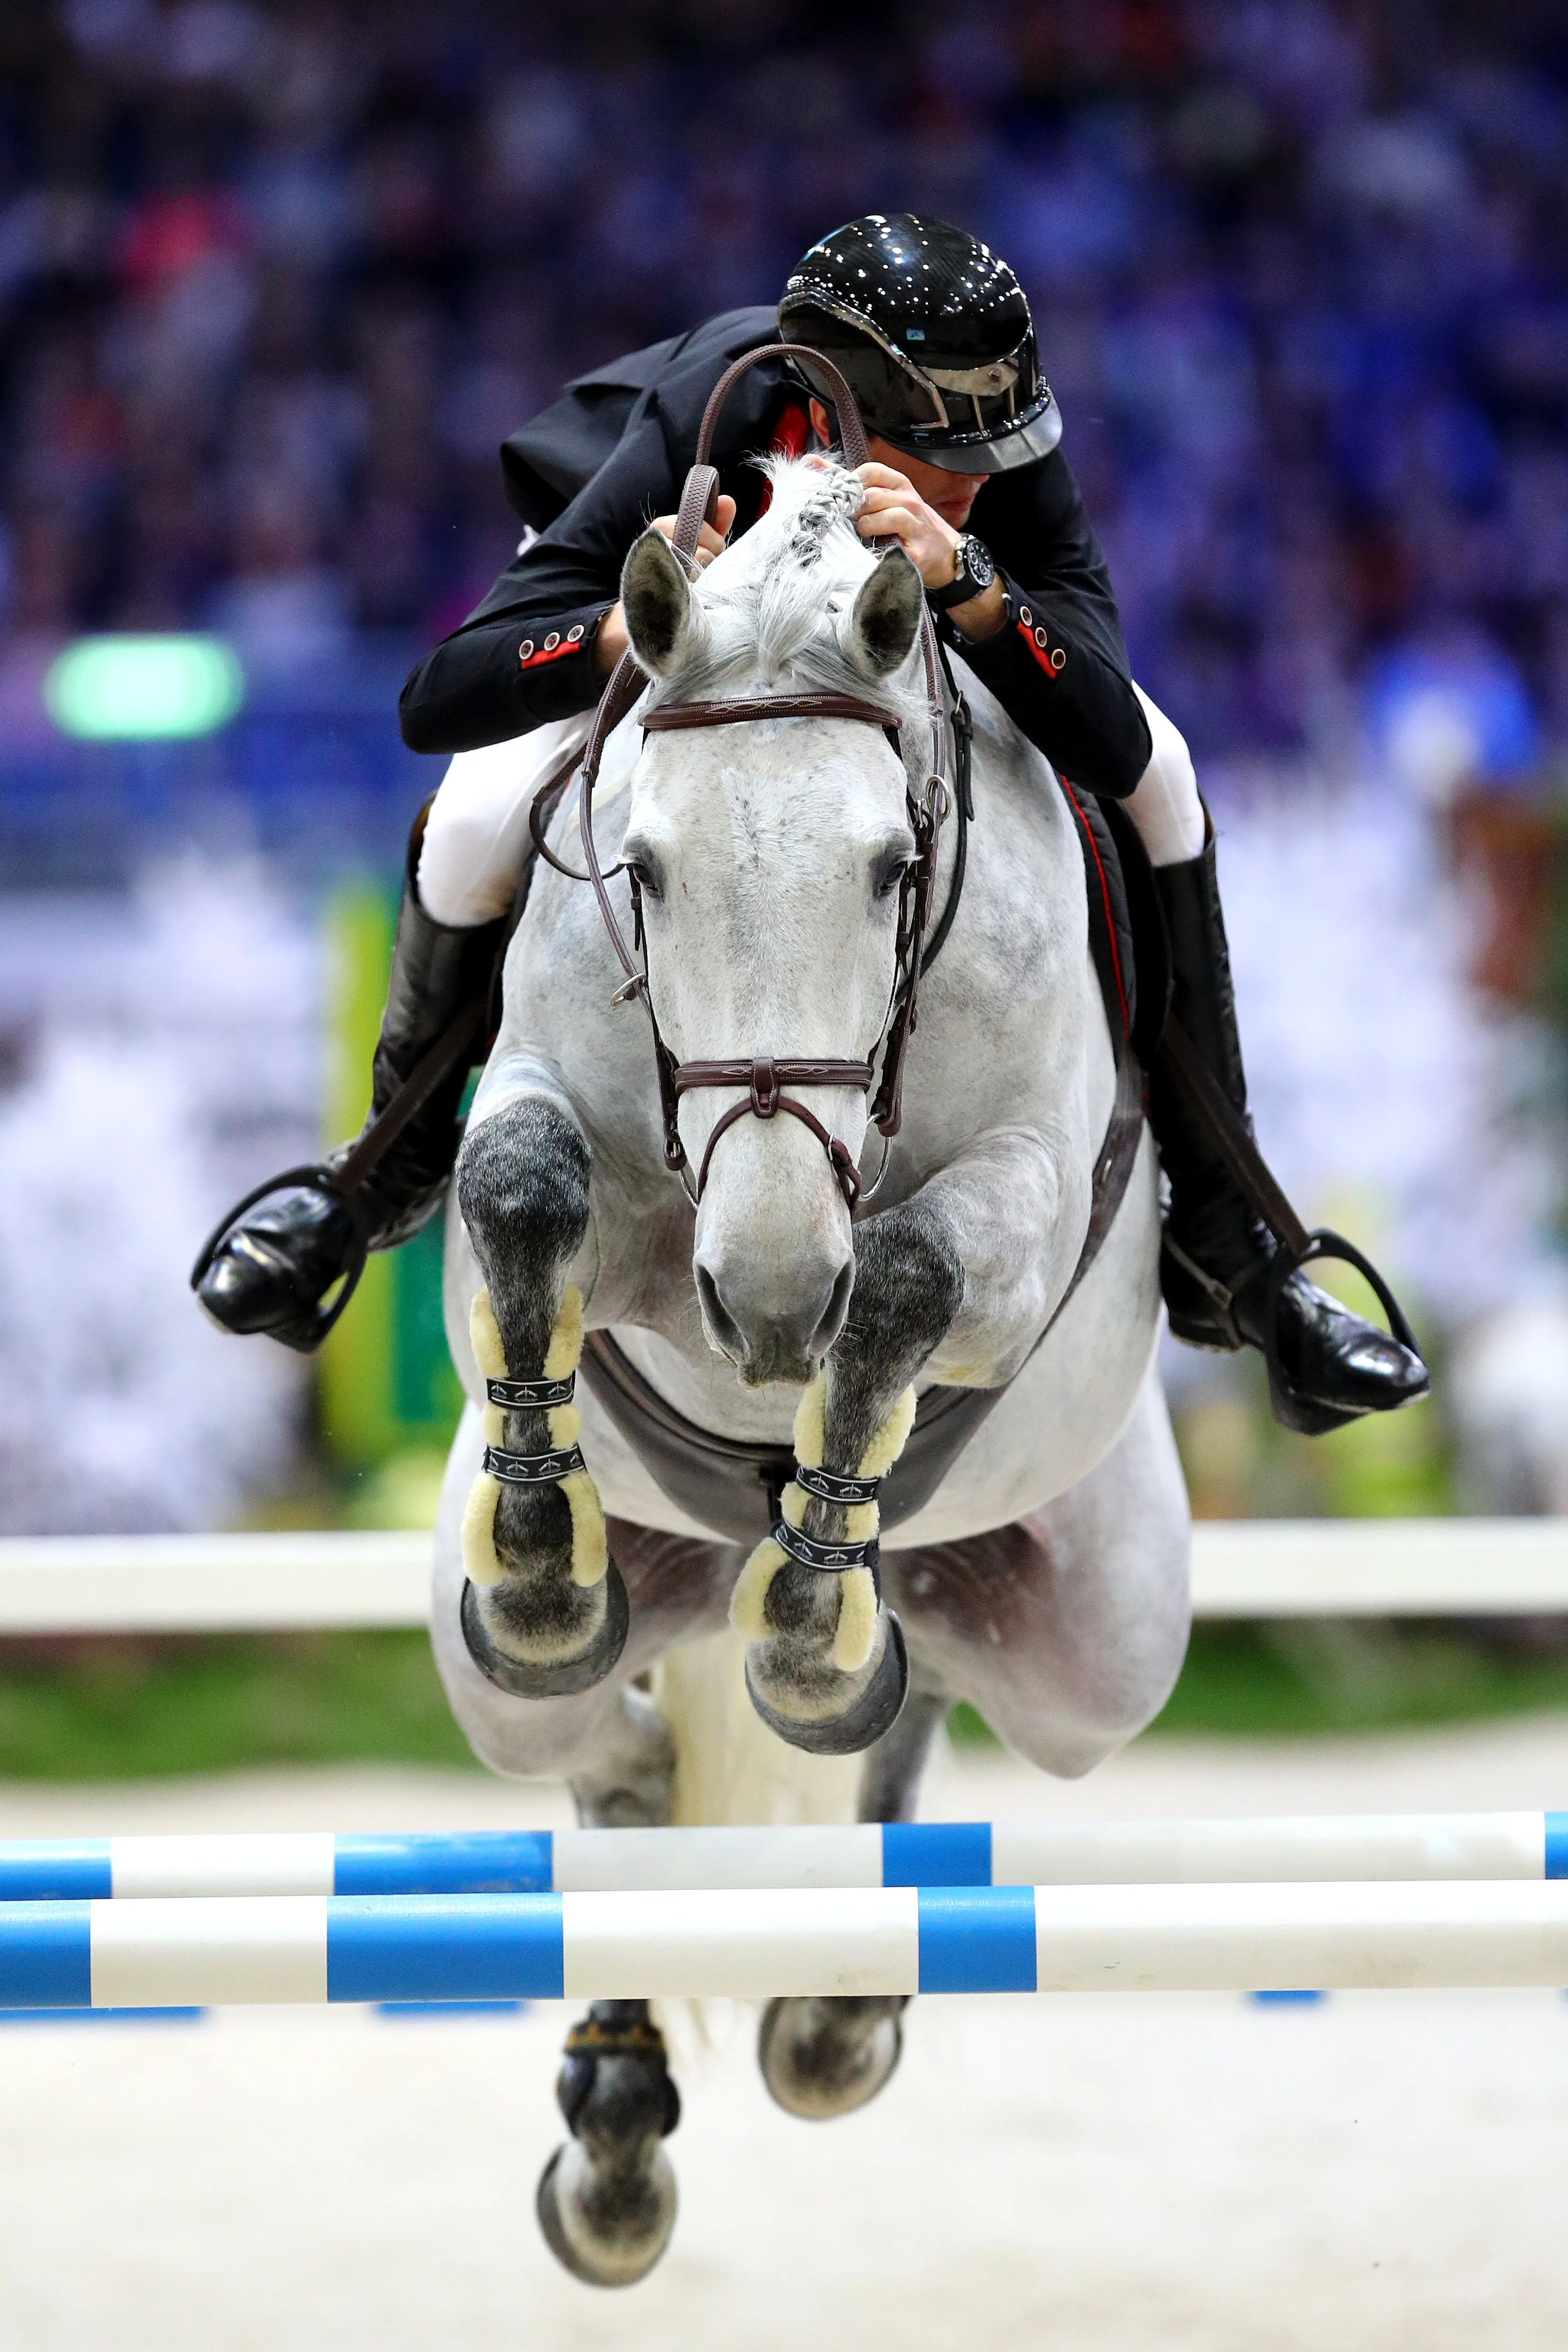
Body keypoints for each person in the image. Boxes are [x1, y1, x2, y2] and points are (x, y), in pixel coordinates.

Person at [197, 212, 1426, 1431]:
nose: (981, 478)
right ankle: (374, 1180)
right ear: (840, 412)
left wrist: (973, 583)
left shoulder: (993, 459)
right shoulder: (713, 416)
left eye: (996, 450)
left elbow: (1102, 722)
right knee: (473, 810)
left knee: (1168, 776)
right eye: (948, 453)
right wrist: (617, 636)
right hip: (684, 642)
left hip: (906, 656)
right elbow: (440, 693)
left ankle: (1233, 1248)